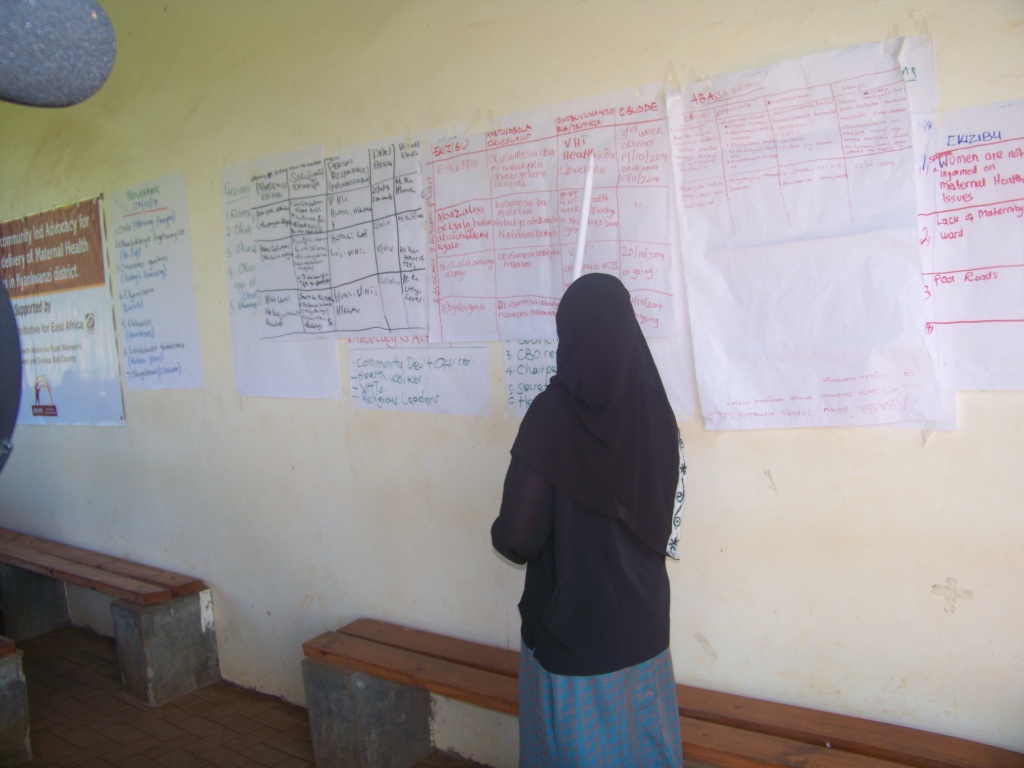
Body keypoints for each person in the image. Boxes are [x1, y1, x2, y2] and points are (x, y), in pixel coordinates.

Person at [491, 272, 685, 767]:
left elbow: (516, 538)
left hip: (576, 642)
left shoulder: (553, 417)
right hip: (645, 638)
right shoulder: (656, 414)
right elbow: (668, 519)